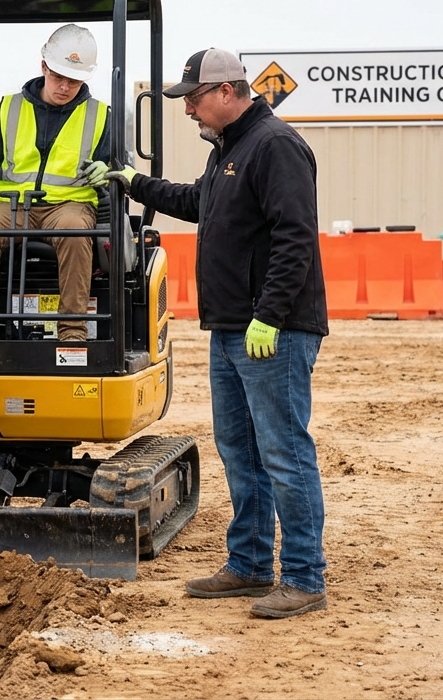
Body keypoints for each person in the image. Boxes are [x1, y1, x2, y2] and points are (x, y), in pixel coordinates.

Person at [108, 48, 330, 618]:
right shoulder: (229, 151)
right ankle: (251, 566)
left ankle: (304, 578)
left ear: (228, 92)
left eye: (194, 99)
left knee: (284, 452)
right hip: (231, 328)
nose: (188, 111)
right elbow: (197, 203)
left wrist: (271, 315)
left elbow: (295, 236)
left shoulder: (275, 146)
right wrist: (136, 183)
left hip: (270, 332)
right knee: (240, 451)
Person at [0, 23, 112, 342]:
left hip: (71, 207)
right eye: (58, 76)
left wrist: (104, 173)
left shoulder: (100, 116)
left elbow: (113, 168)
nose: (65, 86)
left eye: (74, 79)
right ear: (43, 66)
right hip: (12, 207)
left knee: (76, 232)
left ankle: (72, 330)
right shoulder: (9, 108)